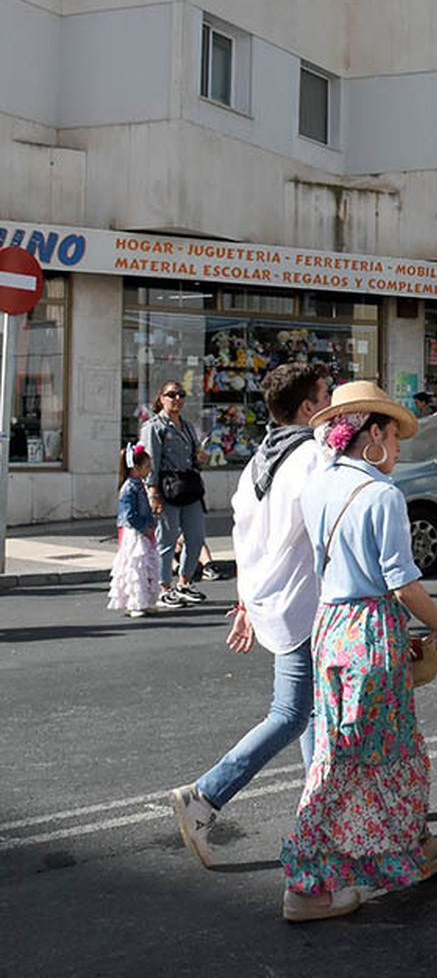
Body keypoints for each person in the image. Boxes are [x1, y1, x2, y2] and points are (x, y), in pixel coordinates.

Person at [280, 380, 437, 923]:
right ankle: (305, 886)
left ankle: (415, 845)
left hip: (332, 626)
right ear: (370, 434)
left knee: (364, 751)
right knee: (357, 758)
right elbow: (403, 583)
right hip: (369, 629)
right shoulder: (383, 495)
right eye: (392, 433)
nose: (397, 446)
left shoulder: (321, 484)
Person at [167, 363, 331, 870]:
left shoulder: (260, 458)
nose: (332, 402)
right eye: (326, 395)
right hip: (302, 605)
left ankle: (318, 804)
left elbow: (246, 539)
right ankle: (206, 796)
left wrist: (245, 602)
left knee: (308, 711)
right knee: (290, 713)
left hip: (274, 601)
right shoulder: (313, 459)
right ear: (308, 408)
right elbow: (328, 534)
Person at [140, 379, 208, 608]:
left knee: (196, 537)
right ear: (161, 398)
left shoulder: (188, 427)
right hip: (168, 487)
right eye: (171, 395)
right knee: (166, 540)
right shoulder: (154, 427)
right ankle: (163, 587)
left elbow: (193, 457)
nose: (177, 399)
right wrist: (152, 491)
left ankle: (185, 582)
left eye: (181, 395)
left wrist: (199, 458)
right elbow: (151, 462)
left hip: (189, 486)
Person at [108, 443, 159, 618]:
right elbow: (129, 516)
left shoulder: (138, 485)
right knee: (134, 567)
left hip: (142, 530)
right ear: (136, 468)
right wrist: (144, 527)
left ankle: (143, 601)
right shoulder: (129, 487)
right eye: (147, 467)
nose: (149, 470)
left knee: (144, 567)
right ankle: (134, 603)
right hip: (134, 532)